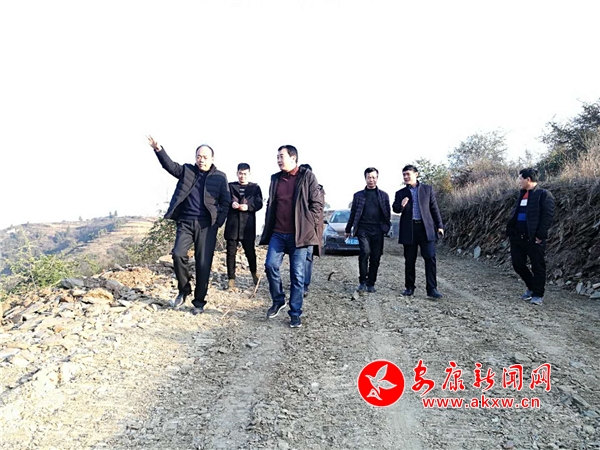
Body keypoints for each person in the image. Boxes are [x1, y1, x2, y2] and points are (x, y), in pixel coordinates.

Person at [147, 135, 230, 314]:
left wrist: (218, 222)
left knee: (203, 264)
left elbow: (226, 202)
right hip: (185, 222)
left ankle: (199, 302)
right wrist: (158, 149)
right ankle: (184, 290)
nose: (201, 160)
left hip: (207, 226)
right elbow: (170, 166)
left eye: (205, 157)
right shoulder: (187, 171)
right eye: (199, 156)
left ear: (212, 159)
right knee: (177, 254)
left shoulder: (220, 177)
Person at [259, 146, 323, 328]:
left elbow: (317, 204)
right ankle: (278, 300)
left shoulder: (307, 176)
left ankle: (295, 313)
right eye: (277, 157)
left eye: (282, 156)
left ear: (293, 158)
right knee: (270, 265)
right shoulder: (275, 179)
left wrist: (308, 224)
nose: (278, 160)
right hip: (278, 233)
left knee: (297, 275)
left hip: (299, 235)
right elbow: (271, 204)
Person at [392, 164, 444, 299]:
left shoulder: (427, 189)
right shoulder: (400, 193)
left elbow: (434, 208)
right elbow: (395, 209)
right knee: (409, 260)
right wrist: (401, 205)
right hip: (409, 230)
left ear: (416, 174)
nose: (405, 177)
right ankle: (409, 288)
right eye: (404, 175)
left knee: (430, 258)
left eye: (408, 174)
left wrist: (439, 225)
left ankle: (432, 289)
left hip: (426, 229)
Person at [506, 168, 555, 306]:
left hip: (534, 238)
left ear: (528, 179)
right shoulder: (522, 194)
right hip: (517, 236)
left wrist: (540, 235)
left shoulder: (543, 194)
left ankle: (538, 295)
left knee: (537, 266)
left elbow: (547, 216)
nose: (518, 181)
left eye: (520, 178)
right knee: (518, 264)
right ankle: (532, 287)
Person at [345, 167, 391, 293]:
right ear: (365, 178)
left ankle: (371, 283)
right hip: (363, 229)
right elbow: (353, 213)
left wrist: (386, 228)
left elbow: (387, 213)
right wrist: (348, 229)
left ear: (377, 178)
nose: (371, 180)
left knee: (376, 257)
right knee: (365, 252)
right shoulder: (358, 196)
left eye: (373, 177)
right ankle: (362, 281)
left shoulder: (384, 196)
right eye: (369, 177)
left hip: (378, 230)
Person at [224, 163, 263, 290]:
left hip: (248, 225)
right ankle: (231, 278)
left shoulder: (255, 188)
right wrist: (231, 203)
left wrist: (249, 207)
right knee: (231, 253)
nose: (242, 176)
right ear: (237, 173)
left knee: (250, 252)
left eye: (245, 173)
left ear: (249, 174)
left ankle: (254, 273)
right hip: (233, 225)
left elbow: (259, 203)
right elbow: (223, 199)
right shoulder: (230, 186)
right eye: (240, 173)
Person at [299, 164, 325, 297]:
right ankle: (297, 282)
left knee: (308, 256)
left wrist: (310, 223)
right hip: (298, 229)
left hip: (311, 229)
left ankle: (304, 285)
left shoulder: (318, 190)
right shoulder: (296, 188)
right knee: (297, 257)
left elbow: (318, 209)